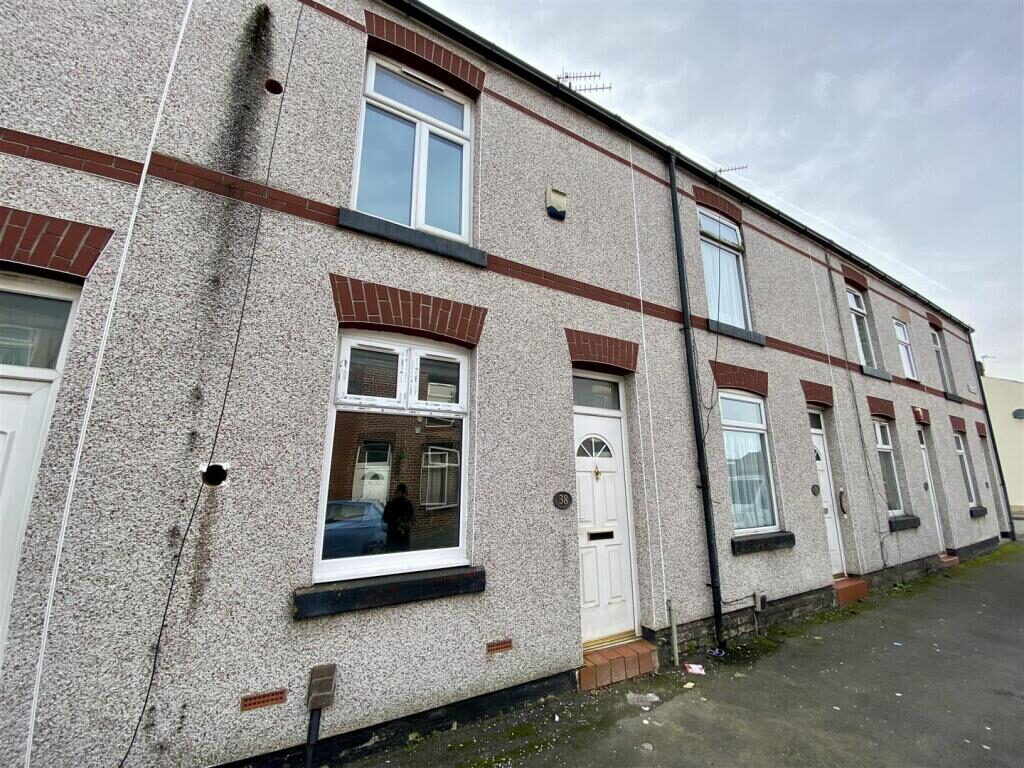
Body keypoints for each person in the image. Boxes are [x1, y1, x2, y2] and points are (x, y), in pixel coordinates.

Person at [382, 483, 414, 552]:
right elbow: (411, 518)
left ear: (397, 492)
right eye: (405, 493)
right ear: (403, 493)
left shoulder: (390, 504)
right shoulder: (408, 504)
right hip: (403, 536)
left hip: (392, 535)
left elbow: (385, 519)